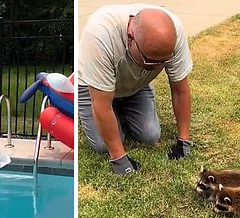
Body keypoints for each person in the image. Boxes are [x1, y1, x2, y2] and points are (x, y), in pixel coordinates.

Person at [78, 4, 193, 175]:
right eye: (150, 61)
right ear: (130, 38)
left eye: (163, 61)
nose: (157, 66)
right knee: (103, 146)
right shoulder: (100, 34)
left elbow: (180, 89)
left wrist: (184, 141)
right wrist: (119, 159)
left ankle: (119, 111)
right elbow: (101, 104)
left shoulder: (173, 32)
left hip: (135, 86)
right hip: (93, 87)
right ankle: (112, 113)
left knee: (150, 136)